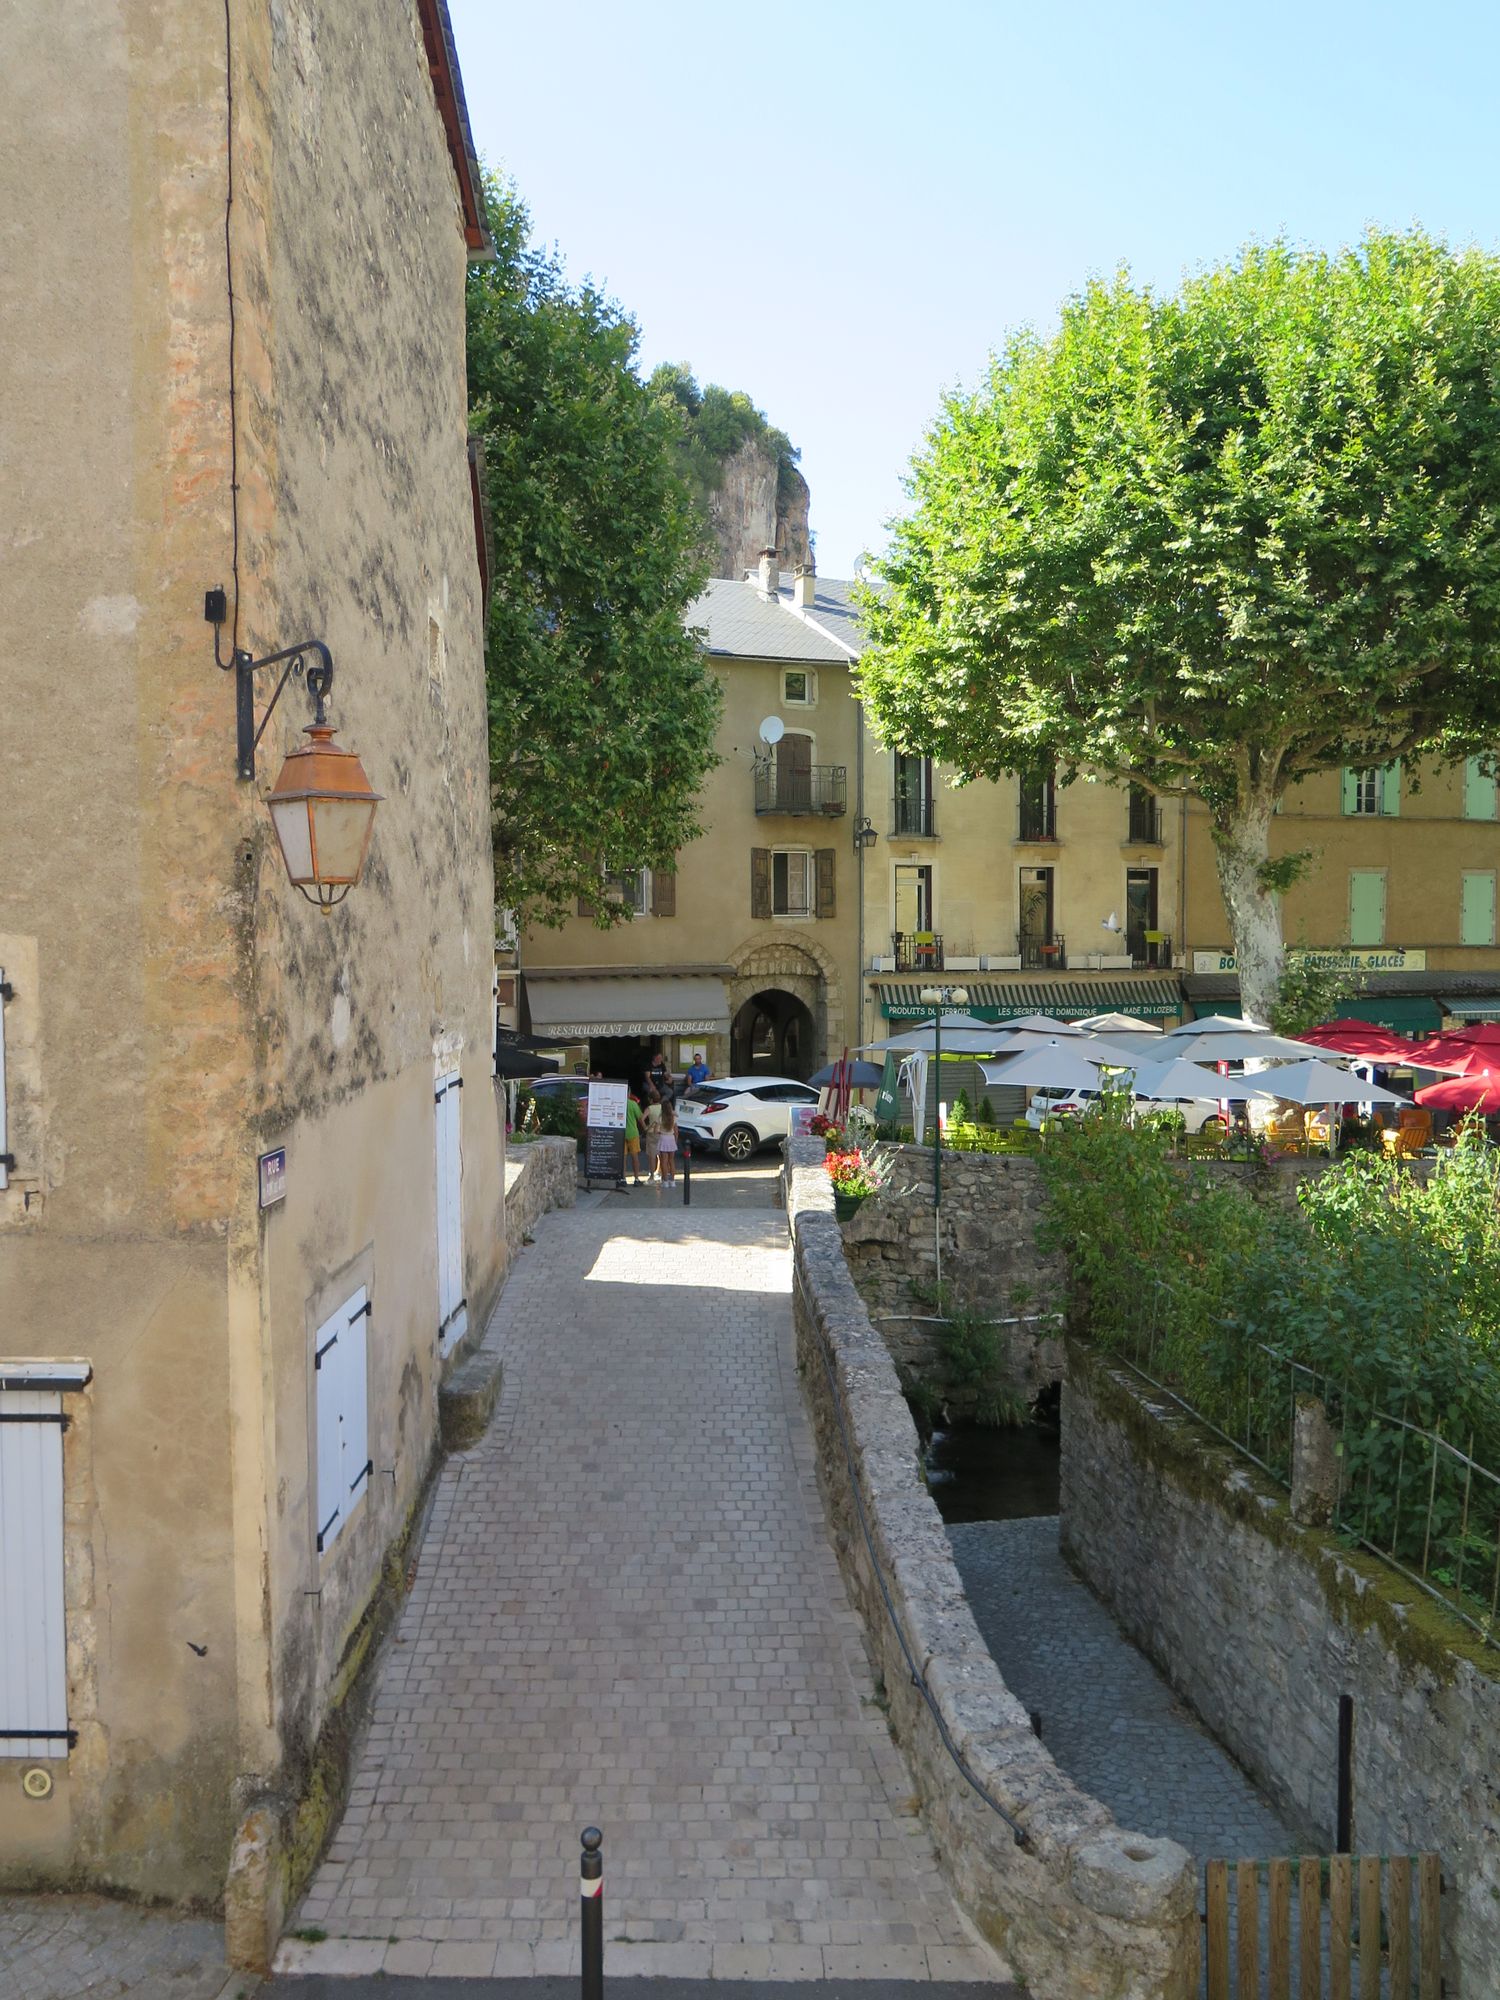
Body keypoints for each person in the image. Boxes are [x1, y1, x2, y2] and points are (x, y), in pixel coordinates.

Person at [623, 1090, 644, 1185]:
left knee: (623, 1158)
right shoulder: (633, 1104)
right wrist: (645, 1128)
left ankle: (622, 1179)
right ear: (629, 1094)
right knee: (635, 1157)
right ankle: (636, 1179)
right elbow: (640, 1118)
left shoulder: (619, 1104)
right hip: (633, 1133)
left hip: (622, 1133)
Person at [642, 1089, 663, 1182]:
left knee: (652, 1155)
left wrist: (645, 1127)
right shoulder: (663, 1107)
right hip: (661, 1132)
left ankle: (651, 1175)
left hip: (651, 1133)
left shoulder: (649, 1108)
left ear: (650, 1099)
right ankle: (660, 1172)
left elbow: (642, 1119)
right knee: (661, 1154)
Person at [656, 1099, 678, 1185]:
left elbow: (656, 1130)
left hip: (663, 1138)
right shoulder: (674, 1117)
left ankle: (665, 1181)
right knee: (671, 1161)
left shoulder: (660, 1117)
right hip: (671, 1138)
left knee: (664, 1161)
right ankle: (672, 1181)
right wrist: (675, 1141)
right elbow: (676, 1131)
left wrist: (659, 1131)